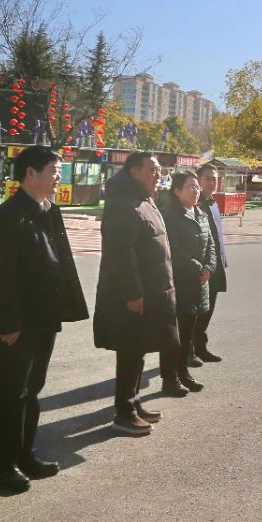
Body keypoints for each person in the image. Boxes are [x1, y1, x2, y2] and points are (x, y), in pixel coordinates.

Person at [0, 146, 89, 492]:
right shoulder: (8, 217)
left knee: (32, 390)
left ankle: (24, 455)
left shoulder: (47, 211)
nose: (58, 176)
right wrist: (6, 324)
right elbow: (1, 278)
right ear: (30, 173)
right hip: (17, 324)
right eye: (53, 170)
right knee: (11, 392)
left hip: (44, 318)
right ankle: (2, 466)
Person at [93, 151, 180, 436]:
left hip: (150, 290)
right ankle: (124, 413)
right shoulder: (122, 204)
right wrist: (132, 292)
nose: (158, 174)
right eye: (152, 169)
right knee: (130, 350)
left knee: (138, 348)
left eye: (159, 169)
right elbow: (121, 254)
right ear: (133, 171)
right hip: (134, 295)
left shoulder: (143, 200)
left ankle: (134, 402)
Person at [160, 170, 215, 396]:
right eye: (190, 187)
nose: (195, 190)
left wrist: (209, 267)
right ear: (177, 191)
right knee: (173, 335)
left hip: (199, 283)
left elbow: (211, 245)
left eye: (196, 186)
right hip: (179, 282)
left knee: (187, 333)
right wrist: (197, 268)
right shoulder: (170, 216)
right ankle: (169, 379)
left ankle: (183, 374)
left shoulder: (201, 214)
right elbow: (173, 249)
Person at [193, 163, 229, 364]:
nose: (211, 182)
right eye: (207, 178)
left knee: (208, 310)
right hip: (202, 267)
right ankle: (188, 350)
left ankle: (200, 347)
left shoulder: (213, 204)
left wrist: (222, 261)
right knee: (198, 312)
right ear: (198, 180)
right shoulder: (195, 204)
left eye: (214, 179)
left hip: (216, 265)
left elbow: (217, 236)